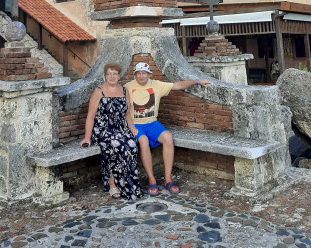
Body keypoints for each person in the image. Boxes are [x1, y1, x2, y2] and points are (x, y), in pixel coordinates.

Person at [125, 62, 212, 196]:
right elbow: (122, 107)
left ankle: (168, 180)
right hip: (136, 124)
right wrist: (130, 126)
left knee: (168, 137)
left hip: (152, 123)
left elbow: (176, 85)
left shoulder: (156, 85)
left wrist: (197, 81)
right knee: (143, 141)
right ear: (135, 75)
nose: (141, 76)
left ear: (149, 74)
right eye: (138, 73)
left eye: (144, 73)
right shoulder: (128, 87)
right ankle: (152, 180)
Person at [80, 63, 144, 200]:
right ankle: (112, 183)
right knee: (117, 145)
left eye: (115, 73)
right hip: (103, 129)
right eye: (109, 74)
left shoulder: (124, 90)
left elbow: (127, 113)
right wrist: (87, 137)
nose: (112, 76)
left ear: (119, 75)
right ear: (105, 76)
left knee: (132, 145)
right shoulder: (99, 91)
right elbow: (90, 116)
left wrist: (132, 127)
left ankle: (129, 184)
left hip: (121, 128)